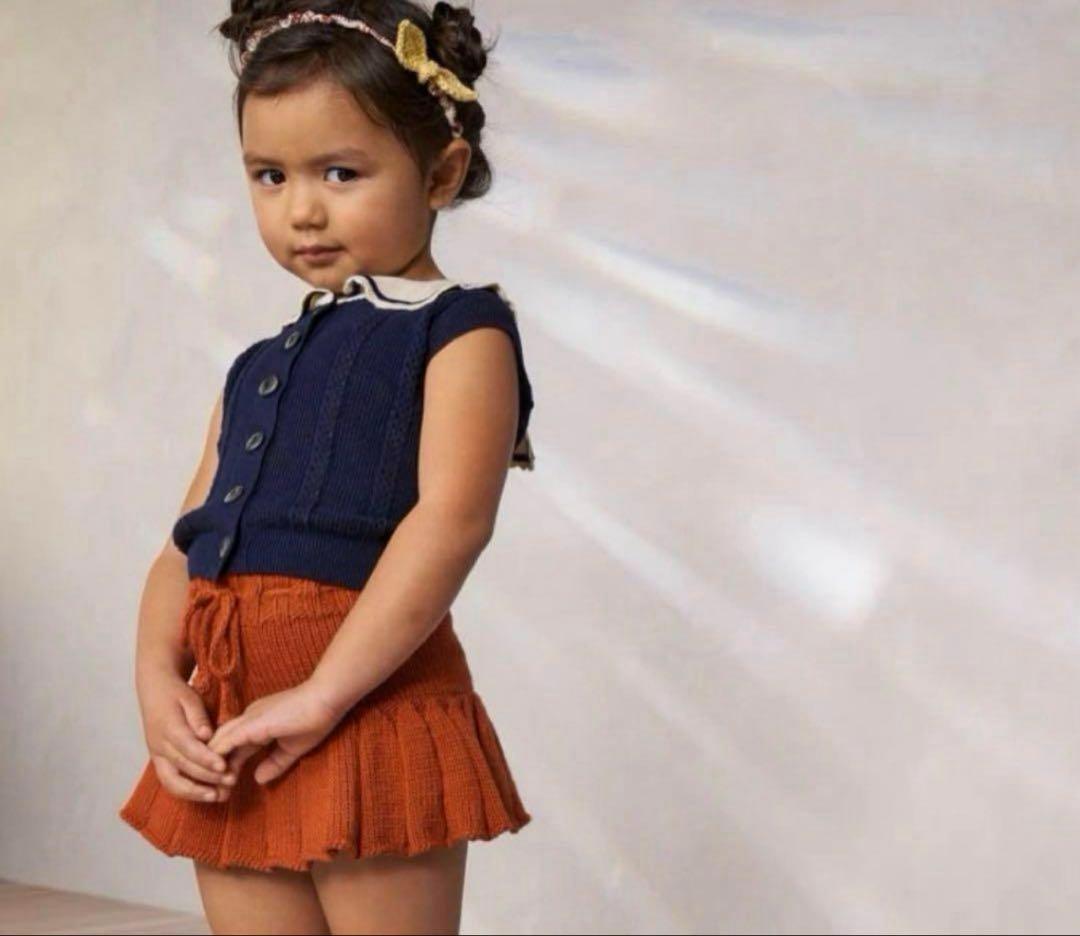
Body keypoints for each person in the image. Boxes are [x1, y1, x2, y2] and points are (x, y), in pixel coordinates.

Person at [117, 2, 536, 932]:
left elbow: (452, 523)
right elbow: (185, 548)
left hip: (367, 705)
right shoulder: (254, 366)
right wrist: (156, 678)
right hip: (234, 717)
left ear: (441, 173)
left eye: (340, 173)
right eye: (270, 175)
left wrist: (322, 695)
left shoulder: (461, 331)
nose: (301, 209)